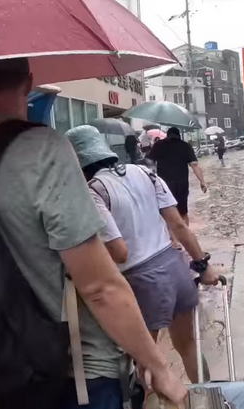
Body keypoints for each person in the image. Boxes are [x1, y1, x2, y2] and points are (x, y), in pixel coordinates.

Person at [0, 58, 186, 409]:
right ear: (29, 83)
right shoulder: (43, 149)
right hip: (78, 378)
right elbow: (99, 286)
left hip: (5, 368)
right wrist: (157, 364)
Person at [64, 126, 219, 383]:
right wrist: (203, 266)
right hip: (176, 268)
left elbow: (120, 253)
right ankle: (207, 405)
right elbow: (179, 226)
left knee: (147, 360)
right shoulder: (144, 173)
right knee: (189, 345)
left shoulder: (93, 191)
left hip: (144, 282)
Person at [148, 127, 207, 224]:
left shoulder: (158, 145)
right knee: (183, 213)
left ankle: (172, 238)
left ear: (167, 135)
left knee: (166, 213)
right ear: (179, 135)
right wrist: (202, 182)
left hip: (164, 186)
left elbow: (149, 164)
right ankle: (184, 236)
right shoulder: (185, 146)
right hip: (181, 185)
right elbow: (194, 166)